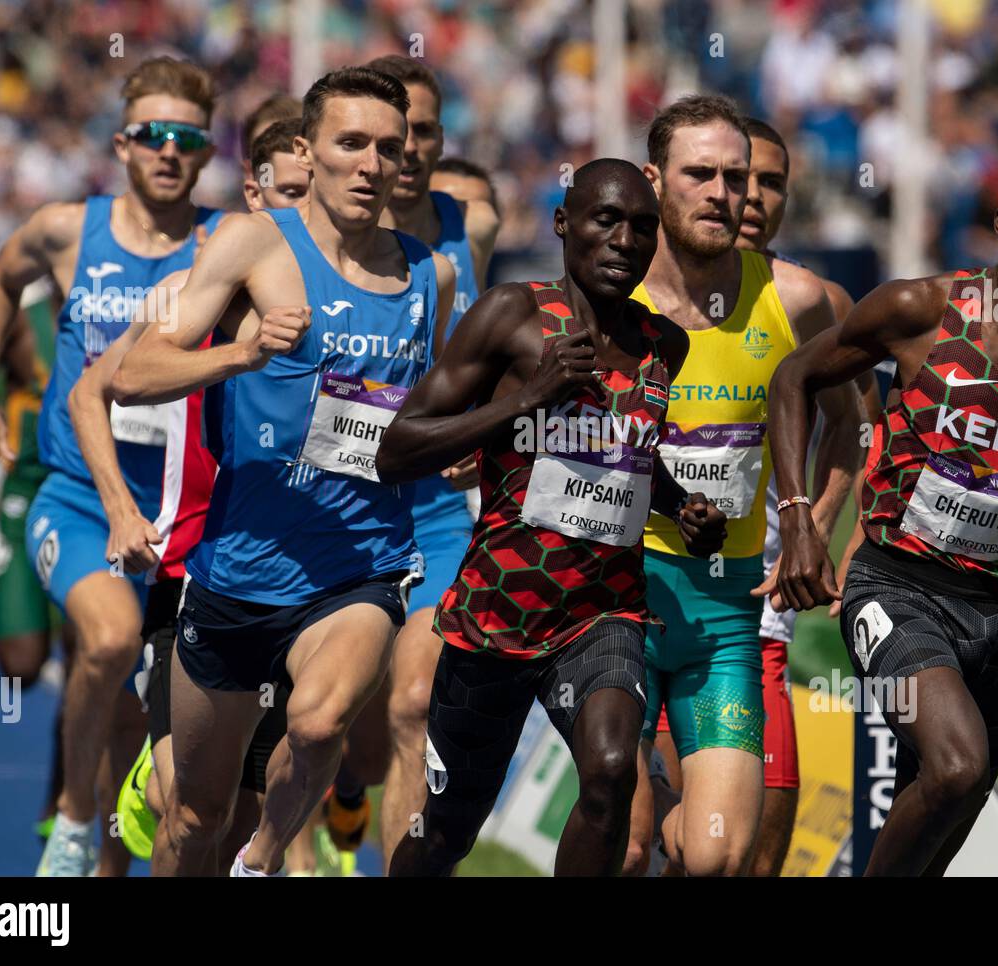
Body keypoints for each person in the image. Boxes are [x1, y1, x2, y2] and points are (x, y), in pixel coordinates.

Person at [766, 150, 998, 876]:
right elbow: (794, 377)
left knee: (939, 830)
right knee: (958, 765)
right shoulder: (921, 310)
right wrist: (797, 518)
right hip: (895, 590)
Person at [114, 66, 455, 876]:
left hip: (359, 566)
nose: (373, 164)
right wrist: (242, 351)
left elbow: (424, 416)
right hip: (238, 569)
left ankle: (263, 862)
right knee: (197, 814)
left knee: (317, 723)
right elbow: (134, 374)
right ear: (309, 150)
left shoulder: (427, 276)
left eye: (389, 146)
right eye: (351, 144)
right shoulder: (253, 243)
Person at [380, 157, 726, 876]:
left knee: (609, 772)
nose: (625, 240)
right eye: (606, 220)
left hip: (604, 616)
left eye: (642, 227)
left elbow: (625, 457)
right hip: (495, 617)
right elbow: (398, 450)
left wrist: (680, 504)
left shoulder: (666, 345)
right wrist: (525, 400)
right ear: (565, 223)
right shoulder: (513, 315)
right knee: (447, 833)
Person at [0, 56, 224, 876]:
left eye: (187, 137)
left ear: (208, 153)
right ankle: (73, 820)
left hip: (183, 516)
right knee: (106, 646)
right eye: (152, 136)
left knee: (134, 716)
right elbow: (0, 283)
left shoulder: (223, 249)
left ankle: (106, 858)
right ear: (122, 143)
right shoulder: (69, 229)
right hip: (75, 496)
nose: (169, 152)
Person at [624, 95, 861, 877]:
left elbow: (851, 424)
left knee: (723, 854)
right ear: (656, 180)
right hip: (612, 600)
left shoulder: (797, 299)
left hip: (732, 607)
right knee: (622, 842)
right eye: (706, 174)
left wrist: (812, 524)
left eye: (744, 178)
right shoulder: (607, 295)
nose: (730, 193)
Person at [73, 113, 311, 873]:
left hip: (310, 577)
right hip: (193, 572)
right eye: (293, 194)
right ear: (254, 192)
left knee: (244, 812)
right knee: (189, 809)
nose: (306, 215)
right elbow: (95, 391)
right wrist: (119, 509)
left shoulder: (356, 301)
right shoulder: (188, 291)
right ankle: (151, 768)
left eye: (321, 197)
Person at [362, 54, 501, 864]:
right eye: (393, 133)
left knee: (415, 705)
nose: (408, 148)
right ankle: (318, 823)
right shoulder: (314, 237)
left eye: (423, 131)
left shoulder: (469, 227)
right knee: (323, 719)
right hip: (336, 507)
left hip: (439, 515)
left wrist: (478, 428)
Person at [0, 281, 77, 844]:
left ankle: (64, 805)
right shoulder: (22, 322)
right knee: (23, 666)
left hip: (84, 503)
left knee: (87, 666)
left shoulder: (119, 314)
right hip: (24, 500)